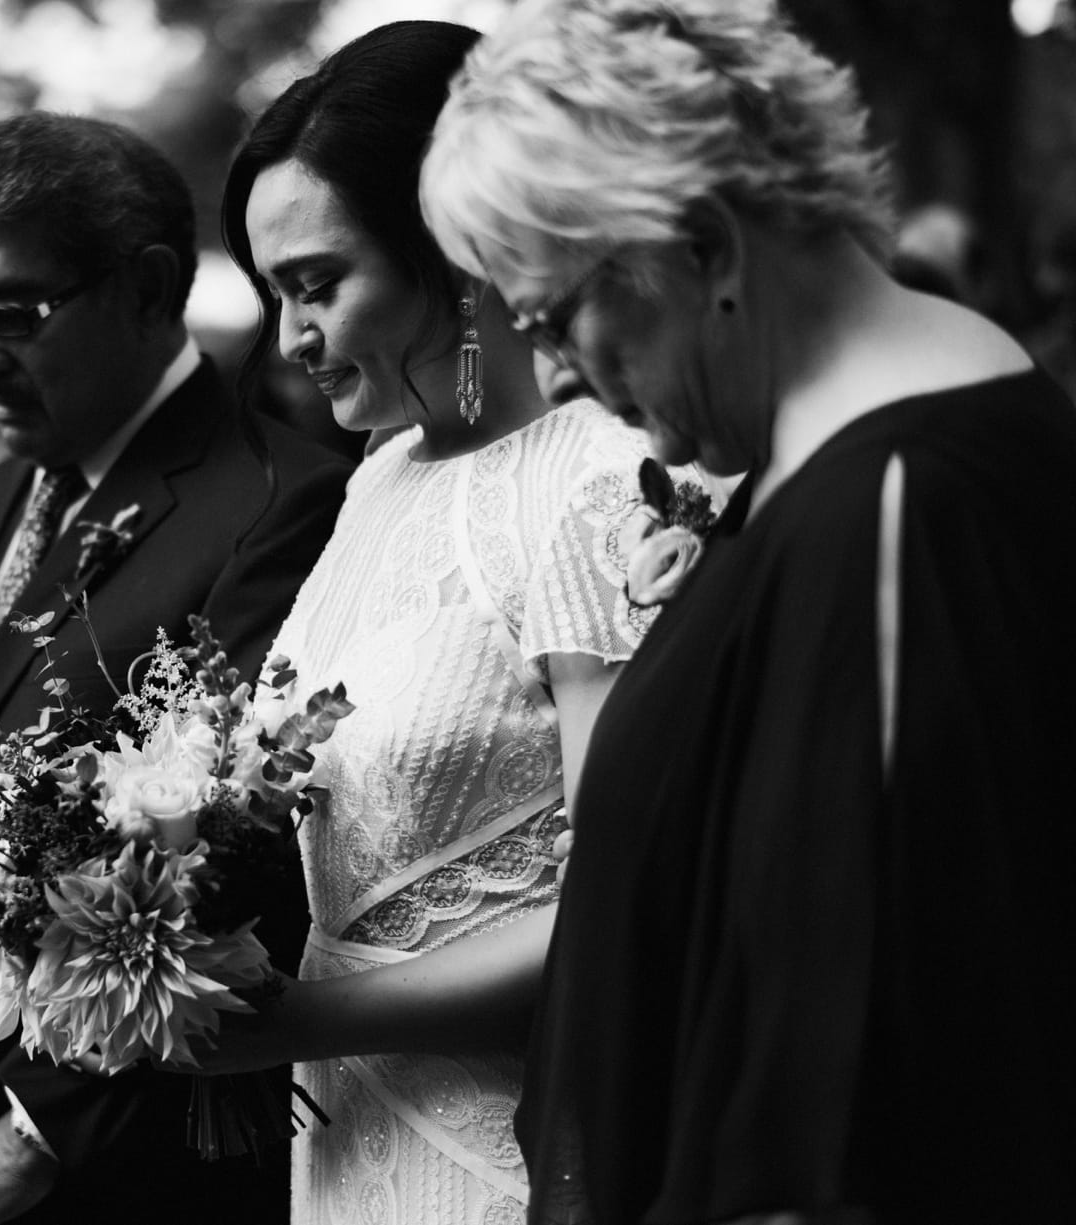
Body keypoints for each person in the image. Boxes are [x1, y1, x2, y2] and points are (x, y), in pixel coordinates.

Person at [419, 1, 1076, 1222]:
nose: (555, 373)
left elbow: (867, 1090)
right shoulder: (823, 467)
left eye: (555, 318)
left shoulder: (904, 509)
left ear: (702, 247)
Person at [0, 111, 352, 1225]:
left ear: (150, 288)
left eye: (12, 312)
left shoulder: (276, 502)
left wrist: (37, 1133)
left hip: (121, 1179)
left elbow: (251, 873)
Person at [190, 21, 660, 1225]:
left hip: (512, 1149)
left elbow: (629, 908)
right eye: (271, 291)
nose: (290, 339)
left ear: (450, 254)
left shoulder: (600, 477)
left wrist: (296, 1021)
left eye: (316, 283)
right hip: (346, 1142)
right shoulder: (375, 480)